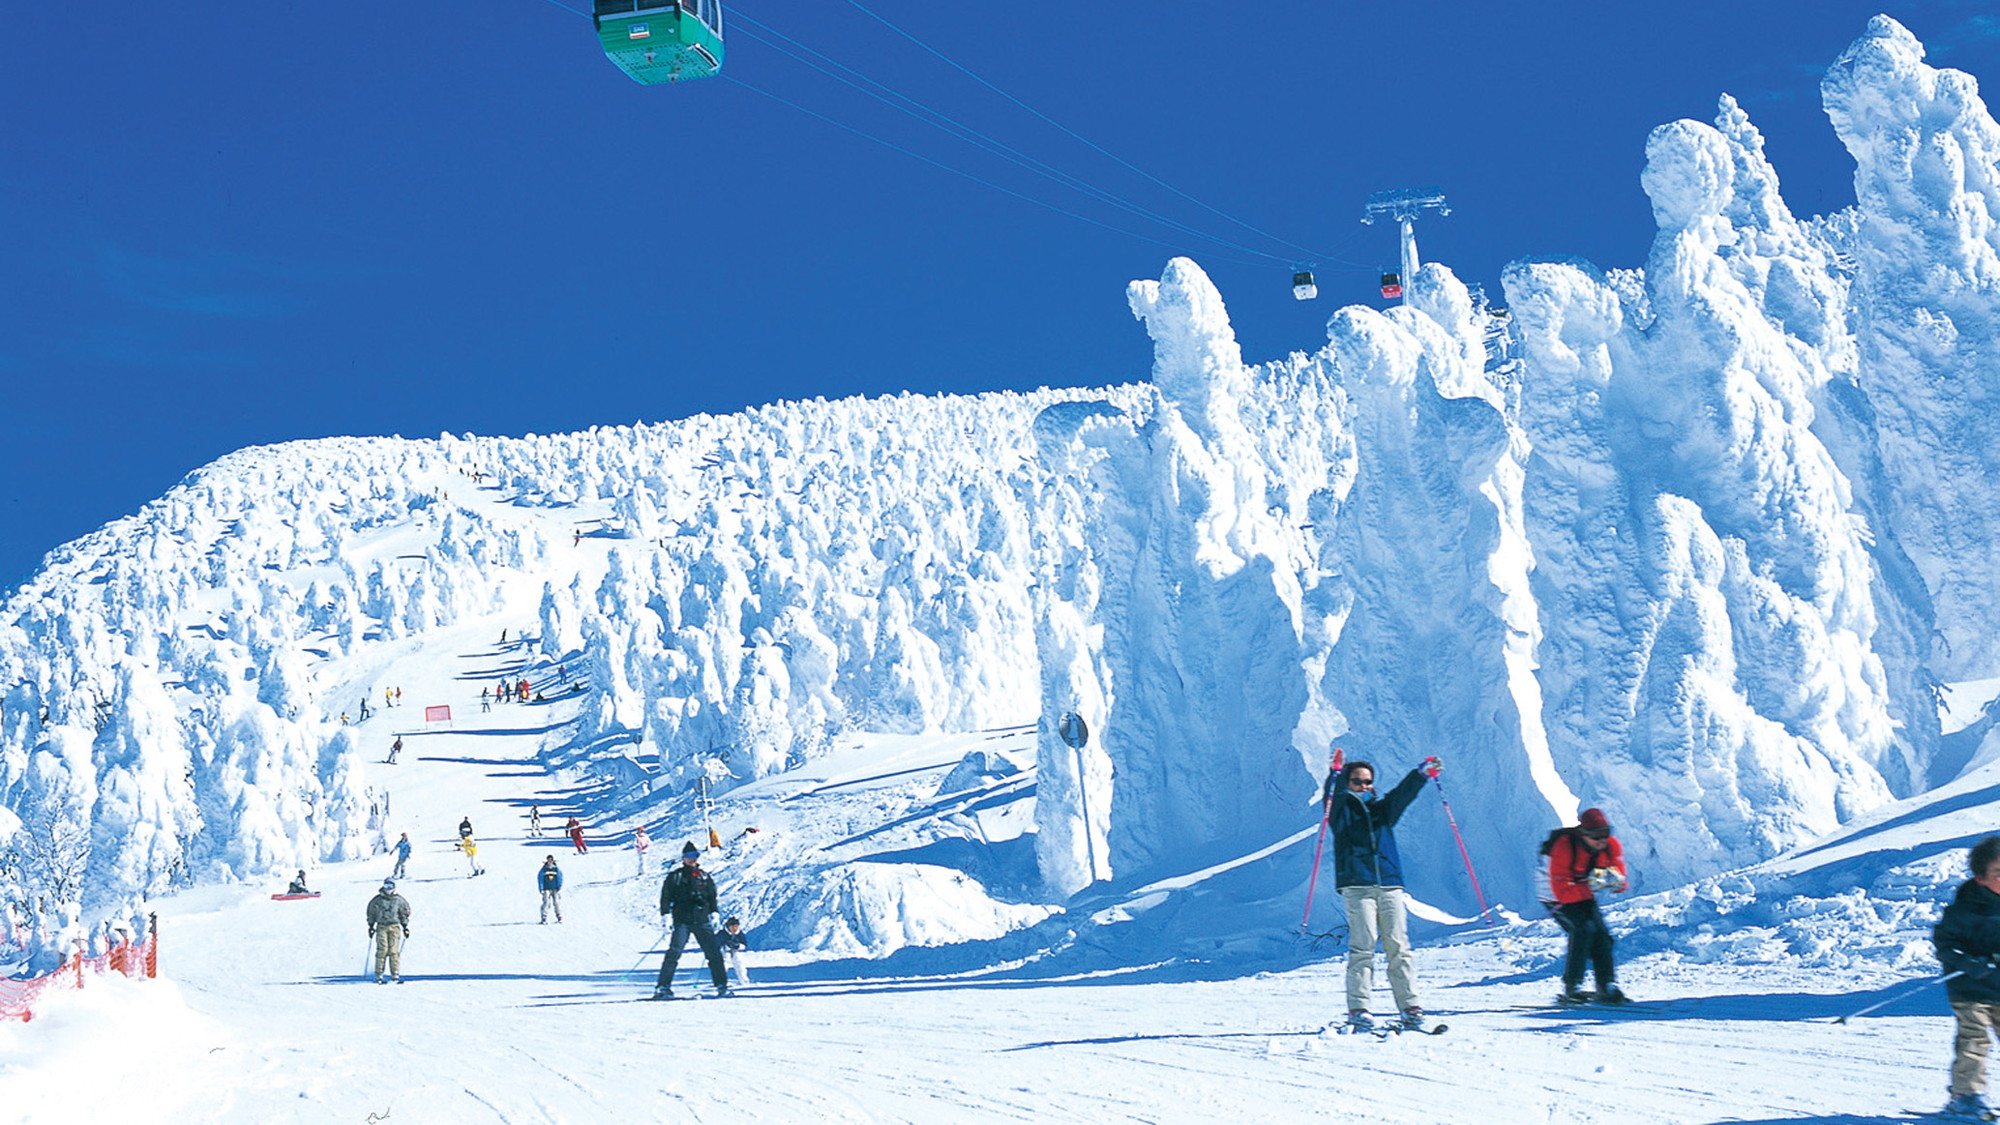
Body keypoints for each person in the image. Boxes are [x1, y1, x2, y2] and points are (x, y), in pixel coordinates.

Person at [1323, 753, 1438, 1032]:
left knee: (1399, 946)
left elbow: (1402, 795)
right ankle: (1359, 1008)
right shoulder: (1340, 811)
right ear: (1348, 783)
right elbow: (1332, 796)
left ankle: (1410, 1007)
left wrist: (1420, 774)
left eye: (1367, 782)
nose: (1363, 786)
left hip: (1389, 884)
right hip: (1357, 885)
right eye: (1357, 781)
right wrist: (1335, 775)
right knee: (1363, 946)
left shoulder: (1382, 810)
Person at [1933, 836, 2000, 1121]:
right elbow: (1944, 944)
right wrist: (1966, 961)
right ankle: (1966, 1096)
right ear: (1980, 877)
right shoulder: (1963, 910)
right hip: (1970, 988)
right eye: (1998, 874)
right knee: (1974, 1040)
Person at [1545, 807, 1629, 1005]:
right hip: (1553, 895)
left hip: (1582, 894)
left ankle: (1606, 986)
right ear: (1583, 834)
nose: (1601, 840)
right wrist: (1590, 884)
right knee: (1583, 930)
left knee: (1603, 937)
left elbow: (1620, 879)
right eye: (1595, 836)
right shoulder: (1564, 846)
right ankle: (1572, 987)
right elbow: (1560, 890)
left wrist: (1616, 881)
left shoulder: (1610, 845)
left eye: (1605, 834)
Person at [654, 842, 731, 999]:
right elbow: (665, 897)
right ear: (683, 858)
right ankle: (663, 986)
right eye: (689, 856)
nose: (692, 859)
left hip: (702, 920)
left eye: (695, 856)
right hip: (682, 920)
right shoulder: (675, 877)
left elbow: (712, 896)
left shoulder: (704, 876)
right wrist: (666, 916)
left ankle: (721, 985)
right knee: (674, 952)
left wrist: (715, 913)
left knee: (714, 954)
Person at [366, 879, 411, 984]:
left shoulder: (399, 900)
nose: (389, 888)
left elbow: (404, 913)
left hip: (394, 926)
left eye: (391, 885)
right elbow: (371, 912)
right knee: (382, 950)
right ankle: (379, 974)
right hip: (381, 926)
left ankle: (395, 974)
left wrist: (405, 926)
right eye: (387, 885)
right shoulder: (377, 900)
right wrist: (371, 926)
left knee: (393, 951)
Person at [721, 916, 750, 989]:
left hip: (737, 951)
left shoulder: (739, 934)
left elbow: (745, 944)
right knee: (724, 963)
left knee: (739, 962)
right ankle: (721, 982)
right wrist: (725, 945)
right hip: (725, 951)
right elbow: (716, 943)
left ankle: (743, 980)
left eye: (736, 926)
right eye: (732, 927)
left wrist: (738, 946)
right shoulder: (722, 934)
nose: (734, 929)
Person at [538, 855, 564, 924]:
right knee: (546, 902)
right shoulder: (544, 869)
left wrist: (559, 886)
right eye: (549, 861)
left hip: (555, 888)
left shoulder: (556, 869)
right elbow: (540, 879)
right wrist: (541, 888)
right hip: (547, 888)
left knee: (557, 902)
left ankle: (559, 916)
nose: (550, 862)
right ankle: (544, 917)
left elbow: (560, 877)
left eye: (551, 860)